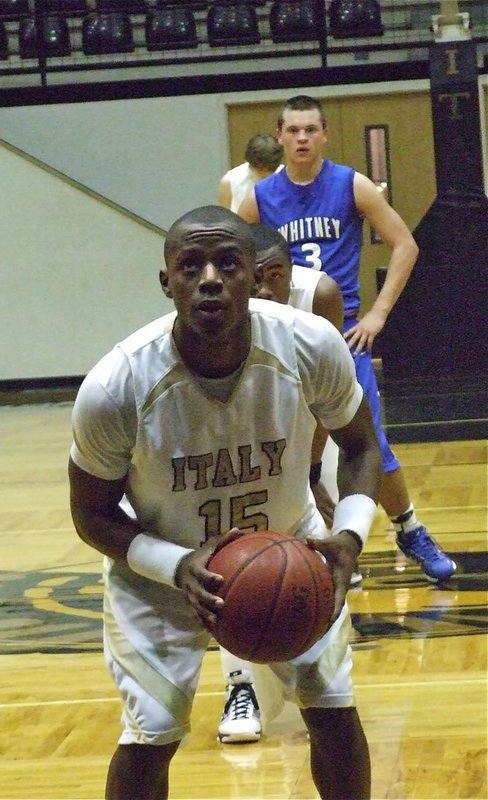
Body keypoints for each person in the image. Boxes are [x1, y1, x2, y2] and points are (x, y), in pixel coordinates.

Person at [68, 204, 382, 800]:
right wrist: (174, 566)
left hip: (291, 548)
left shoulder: (309, 343)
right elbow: (90, 514)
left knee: (334, 708)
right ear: (168, 283)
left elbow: (362, 444)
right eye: (191, 265)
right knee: (152, 733)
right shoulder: (117, 385)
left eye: (227, 263)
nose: (209, 277)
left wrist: (348, 537)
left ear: (256, 276)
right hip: (163, 571)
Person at [237, 94, 456, 585]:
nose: (301, 138)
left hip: (341, 334)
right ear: (279, 136)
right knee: (286, 448)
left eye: (310, 129)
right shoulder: (258, 199)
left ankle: (410, 527)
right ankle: (322, 540)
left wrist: (378, 314)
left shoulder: (350, 184)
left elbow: (405, 244)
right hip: (281, 334)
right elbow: (231, 258)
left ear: (324, 134)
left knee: (370, 440)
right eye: (293, 130)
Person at [217, 222, 348, 746]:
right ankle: (240, 685)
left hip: (316, 423)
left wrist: (313, 475)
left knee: (315, 559)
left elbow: (327, 410)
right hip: (247, 438)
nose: (267, 288)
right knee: (239, 556)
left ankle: (323, 673)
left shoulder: (320, 296)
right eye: (258, 279)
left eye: (277, 275)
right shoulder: (221, 309)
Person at [218, 133, 283, 213]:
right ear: (248, 161)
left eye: (269, 170)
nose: (264, 175)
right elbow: (224, 221)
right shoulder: (230, 181)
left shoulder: (287, 178)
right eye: (260, 170)